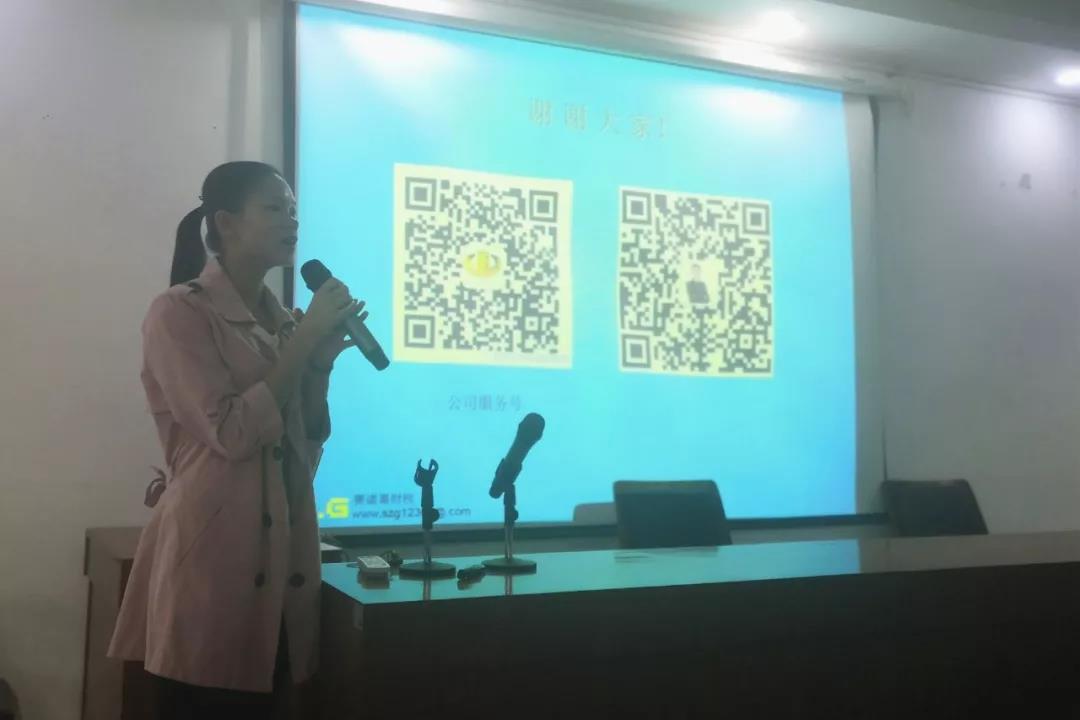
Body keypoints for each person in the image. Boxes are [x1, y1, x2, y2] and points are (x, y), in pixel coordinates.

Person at [108, 161, 364, 718]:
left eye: (293, 209)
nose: (291, 220)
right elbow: (231, 432)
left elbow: (302, 452)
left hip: (285, 562)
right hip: (212, 564)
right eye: (274, 208)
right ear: (225, 223)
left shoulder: (285, 324)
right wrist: (305, 341)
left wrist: (318, 364)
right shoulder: (178, 311)